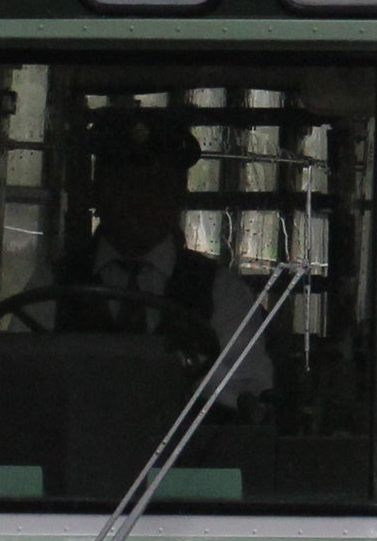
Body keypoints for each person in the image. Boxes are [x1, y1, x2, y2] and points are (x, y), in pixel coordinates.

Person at [42, 111, 274, 403]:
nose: (139, 200)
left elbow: (244, 396)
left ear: (179, 195)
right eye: (124, 184)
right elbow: (20, 382)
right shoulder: (52, 286)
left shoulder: (222, 294)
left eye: (155, 185)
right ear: (96, 192)